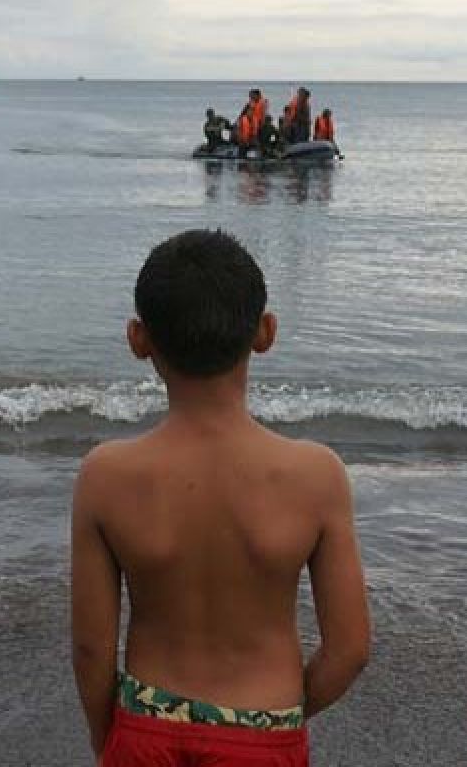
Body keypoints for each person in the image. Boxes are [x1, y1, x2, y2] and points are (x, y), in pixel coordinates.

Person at [72, 230, 371, 766]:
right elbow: (349, 650)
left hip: (146, 723)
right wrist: (279, 716)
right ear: (265, 332)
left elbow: (92, 648)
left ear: (139, 339)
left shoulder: (106, 476)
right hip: (265, 730)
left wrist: (108, 740)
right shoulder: (316, 476)